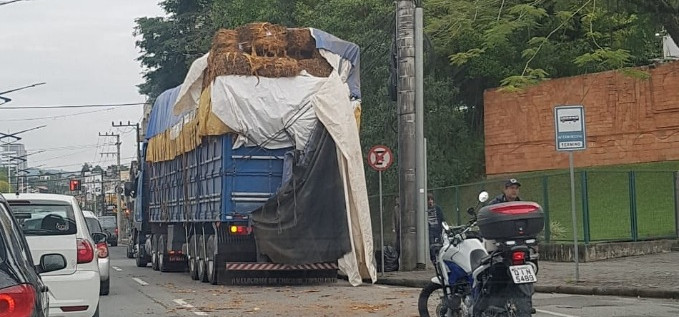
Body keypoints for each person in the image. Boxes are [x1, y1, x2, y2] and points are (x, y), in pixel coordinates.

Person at [427, 193, 445, 260]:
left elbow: (442, 218)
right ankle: (433, 258)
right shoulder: (424, 210)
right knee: (431, 245)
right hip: (430, 229)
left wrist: (443, 226)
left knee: (439, 243)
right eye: (428, 200)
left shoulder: (437, 208)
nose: (430, 201)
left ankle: (440, 257)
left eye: (431, 199)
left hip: (437, 228)